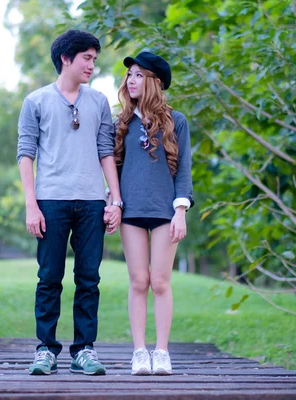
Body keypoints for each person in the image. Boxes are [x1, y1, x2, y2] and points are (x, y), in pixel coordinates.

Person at [16, 29, 123, 376]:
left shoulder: (99, 101)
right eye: (86, 58)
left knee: (89, 278)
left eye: (94, 58)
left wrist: (115, 199)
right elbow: (25, 154)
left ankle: (84, 350)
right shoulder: (36, 101)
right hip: (51, 201)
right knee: (49, 277)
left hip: (92, 201)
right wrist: (31, 205)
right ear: (66, 58)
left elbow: (106, 151)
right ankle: (46, 349)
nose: (92, 64)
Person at [106, 51, 193, 375]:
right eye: (129, 75)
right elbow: (113, 167)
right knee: (138, 281)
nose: (131, 80)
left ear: (154, 82)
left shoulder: (176, 121)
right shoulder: (121, 123)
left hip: (164, 212)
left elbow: (183, 172)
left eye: (139, 75)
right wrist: (112, 202)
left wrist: (181, 211)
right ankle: (140, 351)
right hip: (131, 211)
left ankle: (162, 351)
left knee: (160, 281)